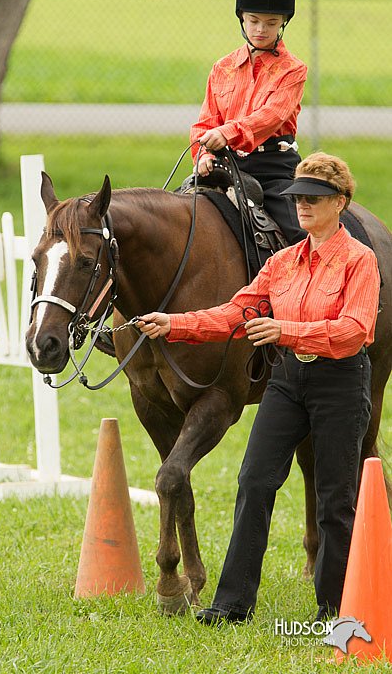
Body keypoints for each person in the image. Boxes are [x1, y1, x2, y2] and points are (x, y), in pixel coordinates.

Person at [137, 153, 380, 625]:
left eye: (314, 199)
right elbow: (234, 313)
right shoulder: (283, 262)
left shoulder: (360, 261)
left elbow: (354, 330)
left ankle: (333, 609)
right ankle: (232, 603)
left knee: (334, 499)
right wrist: (174, 324)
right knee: (254, 480)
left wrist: (286, 331)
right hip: (289, 380)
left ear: (341, 203)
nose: (302, 206)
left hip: (340, 382)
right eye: (298, 198)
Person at [191, 0, 307, 244]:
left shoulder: (293, 70)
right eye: (253, 20)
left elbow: (272, 116)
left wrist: (226, 133)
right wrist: (203, 155)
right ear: (241, 18)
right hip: (224, 163)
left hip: (273, 168)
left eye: (271, 22)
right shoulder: (223, 67)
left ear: (283, 23)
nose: (260, 30)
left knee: (299, 233)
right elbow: (205, 123)